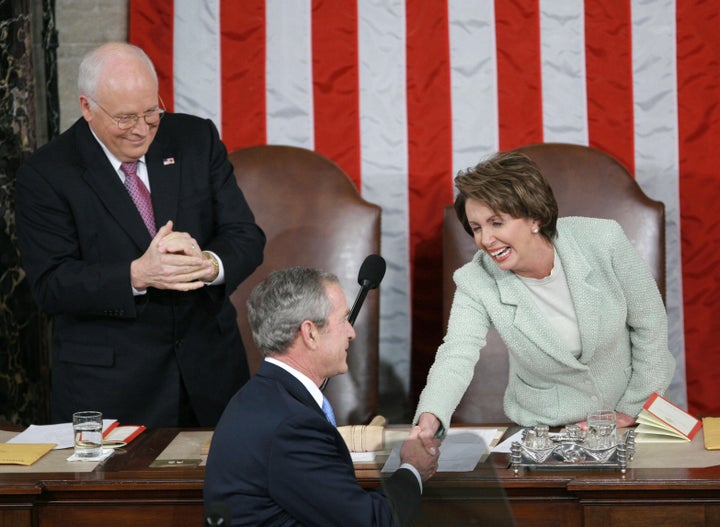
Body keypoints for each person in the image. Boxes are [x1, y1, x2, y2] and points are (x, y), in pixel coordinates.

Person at [14, 42, 266, 428]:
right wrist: (136, 275)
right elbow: (51, 284)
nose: (142, 129)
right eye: (125, 118)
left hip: (211, 375)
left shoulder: (195, 139)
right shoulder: (48, 174)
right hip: (111, 390)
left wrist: (207, 265)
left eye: (152, 112)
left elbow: (245, 235)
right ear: (87, 107)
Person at [414, 150, 676, 440]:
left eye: (496, 223)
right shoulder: (476, 281)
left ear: (534, 217)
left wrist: (633, 409)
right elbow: (457, 353)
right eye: (476, 228)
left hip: (634, 419)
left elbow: (650, 323)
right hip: (548, 431)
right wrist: (431, 415)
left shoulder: (604, 240)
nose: (485, 240)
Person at [204, 267, 440, 526]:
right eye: (343, 320)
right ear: (310, 333)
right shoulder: (292, 426)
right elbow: (371, 522)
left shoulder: (258, 397)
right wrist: (413, 468)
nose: (352, 333)